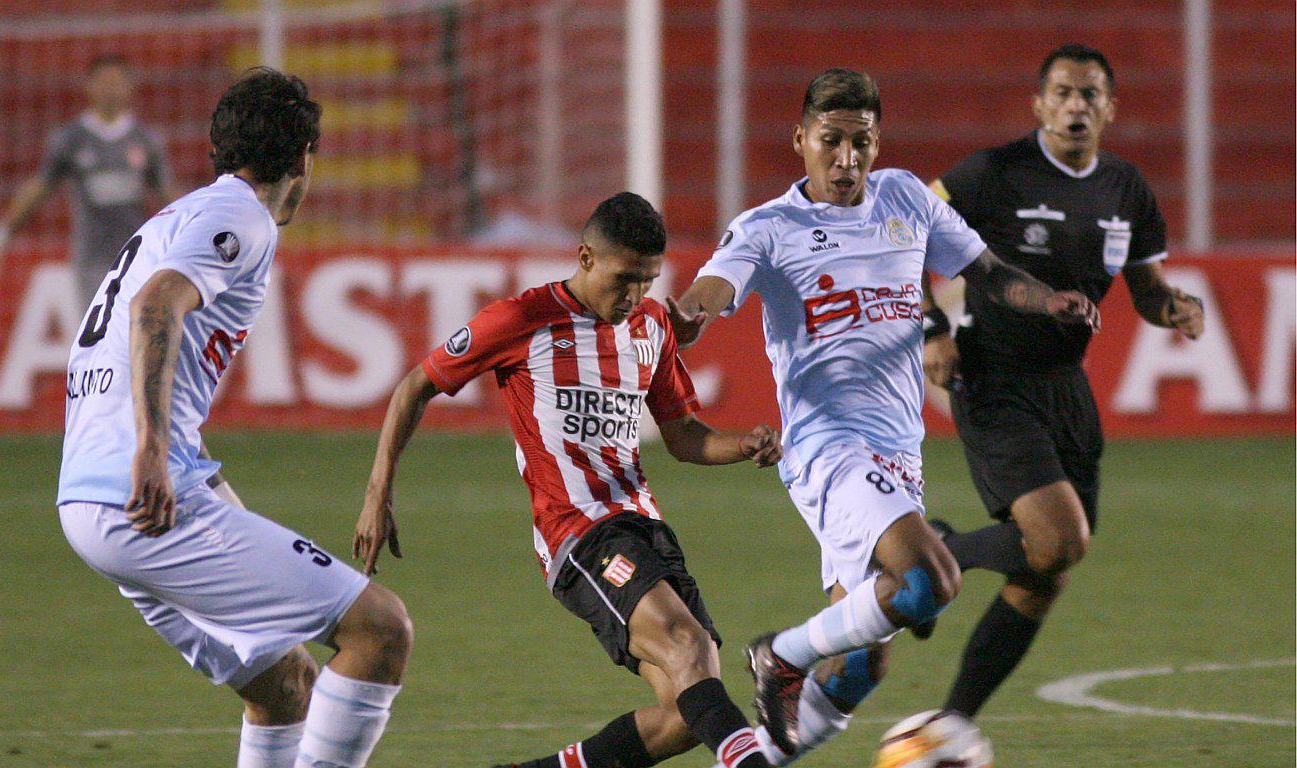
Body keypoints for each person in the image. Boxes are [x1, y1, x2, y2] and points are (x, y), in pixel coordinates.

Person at [668, 68, 1098, 762]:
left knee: (860, 665)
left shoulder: (904, 198)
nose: (846, 160)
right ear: (801, 138)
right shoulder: (770, 227)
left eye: (860, 142)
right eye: (830, 142)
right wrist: (688, 315)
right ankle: (779, 654)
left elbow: (987, 271)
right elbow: (716, 286)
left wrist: (1047, 299)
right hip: (827, 445)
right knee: (931, 580)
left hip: (900, 453)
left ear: (878, 140)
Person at [56, 69, 413, 768]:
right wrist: (155, 453)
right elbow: (155, 305)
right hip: (143, 494)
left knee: (284, 685)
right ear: (304, 156)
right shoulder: (241, 216)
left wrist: (190, 475)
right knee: (381, 629)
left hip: (93, 495)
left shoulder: (178, 216)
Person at [358, 192, 783, 768]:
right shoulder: (521, 319)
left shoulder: (651, 324)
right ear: (585, 258)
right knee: (686, 645)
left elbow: (683, 437)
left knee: (686, 711)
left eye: (647, 281)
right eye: (623, 278)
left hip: (646, 527)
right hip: (578, 533)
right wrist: (377, 493)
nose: (633, 295)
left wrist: (744, 444)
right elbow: (416, 385)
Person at [921, 43, 1205, 719]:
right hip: (994, 374)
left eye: (1090, 94)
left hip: (1065, 386)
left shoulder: (1126, 190)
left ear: (1110, 108)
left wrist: (1175, 308)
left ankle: (950, 722)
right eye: (1063, 92)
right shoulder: (994, 172)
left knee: (1045, 573)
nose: (1076, 105)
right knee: (1056, 540)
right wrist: (929, 328)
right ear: (1039, 103)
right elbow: (906, 237)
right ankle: (927, 559)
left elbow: (1145, 288)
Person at [0, 54, 185, 308]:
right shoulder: (71, 139)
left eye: (116, 82)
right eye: (103, 82)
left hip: (138, 253)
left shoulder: (145, 140)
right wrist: (0, 234)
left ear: (130, 87)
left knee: (135, 327)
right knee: (102, 331)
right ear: (89, 86)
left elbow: (167, 192)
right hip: (91, 257)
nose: (110, 90)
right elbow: (39, 188)